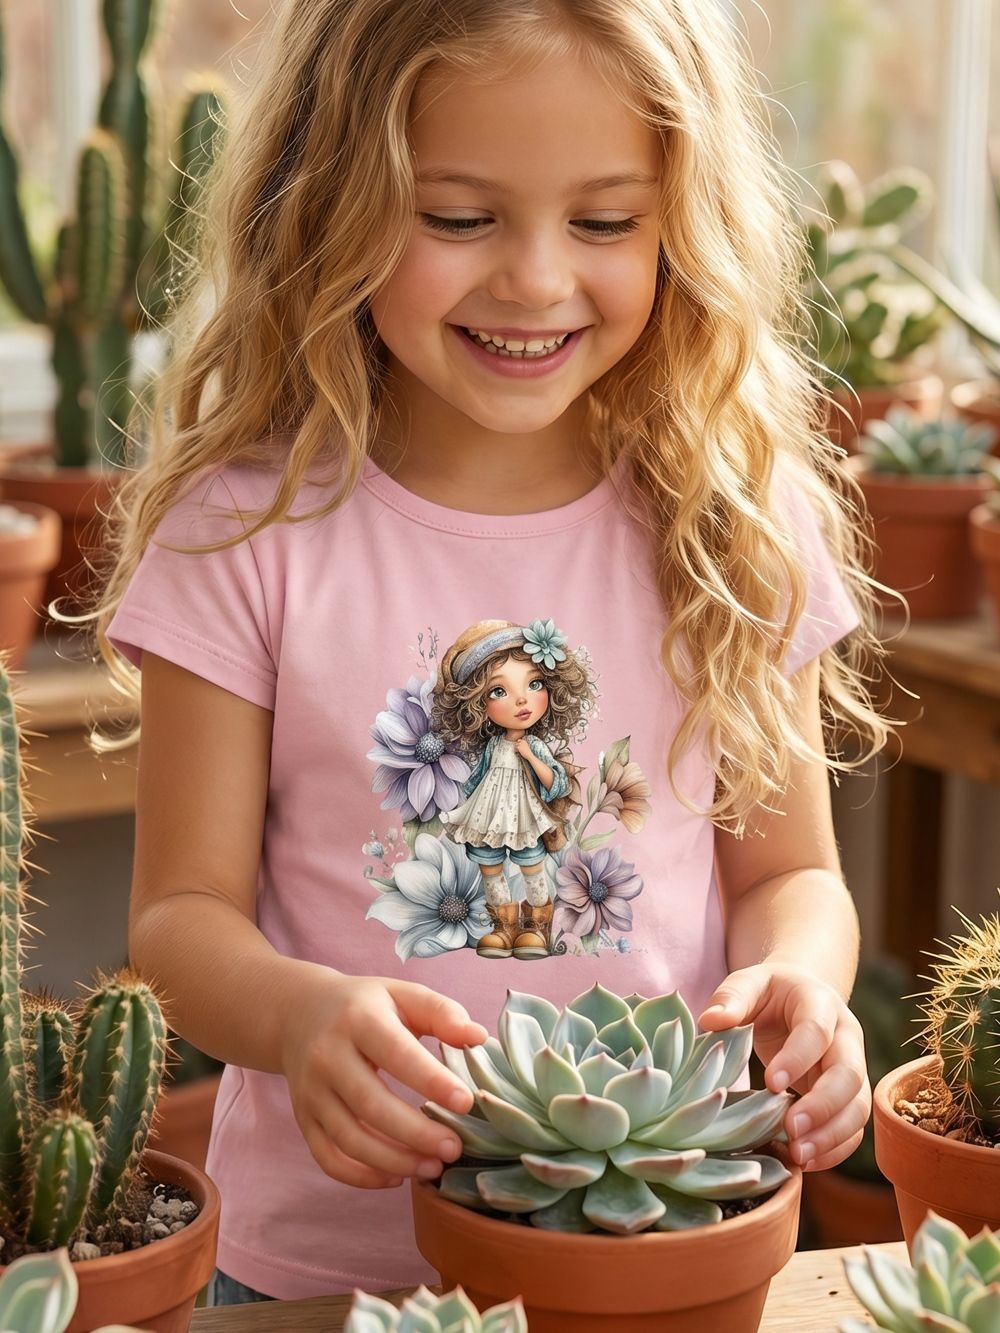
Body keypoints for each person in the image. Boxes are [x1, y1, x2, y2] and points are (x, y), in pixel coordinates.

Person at [90, 0, 891, 1306]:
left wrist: (802, 984)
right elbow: (181, 920)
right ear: (328, 204)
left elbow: (790, 872)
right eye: (458, 218)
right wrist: (298, 1016)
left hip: (659, 1252)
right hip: (320, 1277)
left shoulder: (733, 521)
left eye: (606, 221)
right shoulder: (242, 531)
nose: (533, 278)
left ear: (682, 227)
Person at [432, 617, 596, 959]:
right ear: (477, 703)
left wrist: (531, 757)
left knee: (531, 866)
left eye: (534, 684)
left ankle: (536, 927)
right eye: (499, 691)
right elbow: (477, 780)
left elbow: (555, 783)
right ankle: (503, 928)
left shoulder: (534, 745)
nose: (522, 700)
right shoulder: (493, 745)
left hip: (524, 818)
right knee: (489, 868)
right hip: (488, 816)